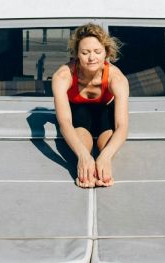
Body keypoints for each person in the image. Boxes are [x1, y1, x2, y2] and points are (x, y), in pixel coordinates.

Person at [52, 23, 129, 188]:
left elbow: (122, 126)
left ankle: (101, 169)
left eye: (97, 52)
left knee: (106, 144)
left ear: (106, 52)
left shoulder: (117, 79)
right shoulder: (62, 76)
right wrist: (83, 156)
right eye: (85, 52)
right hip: (78, 116)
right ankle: (88, 168)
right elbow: (64, 122)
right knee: (81, 119)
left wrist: (105, 157)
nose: (92, 58)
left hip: (105, 115)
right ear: (76, 54)